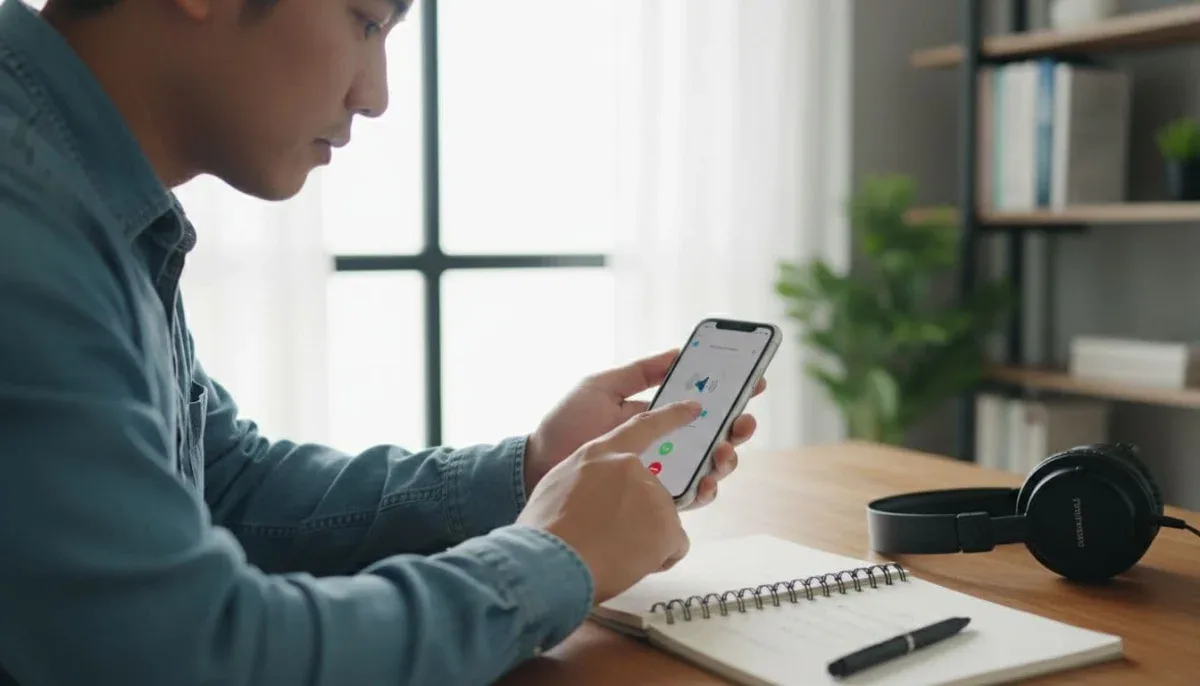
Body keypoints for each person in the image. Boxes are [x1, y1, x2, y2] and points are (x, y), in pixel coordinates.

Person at [0, 1, 767, 684]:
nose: (377, 95)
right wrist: (555, 557)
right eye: (366, 22)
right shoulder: (23, 223)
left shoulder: (80, 190)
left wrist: (532, 468)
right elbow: (192, 653)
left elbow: (223, 488)